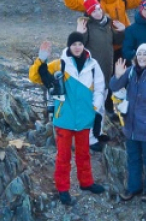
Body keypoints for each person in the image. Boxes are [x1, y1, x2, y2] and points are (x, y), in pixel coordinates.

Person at [28, 32, 107, 205]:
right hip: (64, 118)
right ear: (69, 46)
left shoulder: (93, 65)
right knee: (63, 156)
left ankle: (86, 183)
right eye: (74, 44)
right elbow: (34, 77)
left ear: (83, 46)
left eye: (80, 44)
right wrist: (41, 59)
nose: (77, 47)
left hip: (84, 119)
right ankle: (63, 188)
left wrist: (93, 109)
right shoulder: (59, 64)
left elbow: (100, 89)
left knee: (84, 154)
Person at [110, 43, 146, 203]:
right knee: (133, 158)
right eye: (139, 54)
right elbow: (114, 87)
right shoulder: (129, 73)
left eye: (145, 55)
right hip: (131, 127)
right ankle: (133, 187)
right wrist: (117, 75)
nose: (142, 57)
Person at [76, 0, 125, 151]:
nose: (97, 12)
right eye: (93, 11)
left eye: (98, 9)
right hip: (92, 75)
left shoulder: (108, 24)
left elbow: (117, 41)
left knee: (101, 106)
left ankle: (97, 133)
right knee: (93, 107)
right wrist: (79, 33)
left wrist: (122, 31)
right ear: (89, 14)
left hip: (106, 72)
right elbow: (78, 46)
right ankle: (89, 140)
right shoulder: (87, 26)